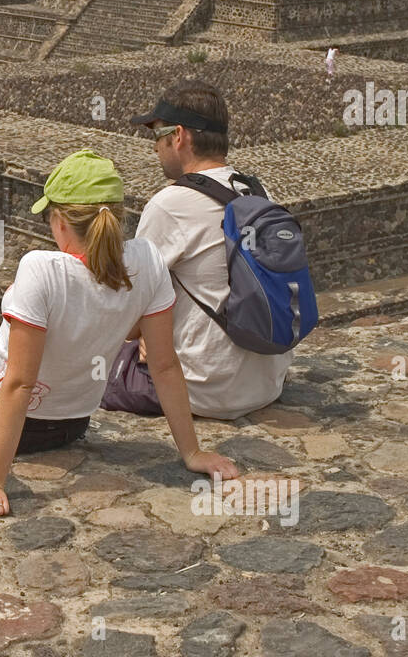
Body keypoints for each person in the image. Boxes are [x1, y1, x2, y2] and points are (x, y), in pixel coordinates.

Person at [0, 150, 240, 517]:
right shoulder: (149, 261)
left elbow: (19, 384)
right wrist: (191, 452)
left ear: (59, 221)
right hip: (69, 425)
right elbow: (165, 365)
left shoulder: (40, 269)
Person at [101, 81, 295, 420]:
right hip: (266, 381)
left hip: (202, 388)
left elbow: (128, 312)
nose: (155, 148)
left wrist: (145, 334)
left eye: (157, 136)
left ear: (179, 136)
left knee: (85, 362)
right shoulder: (258, 192)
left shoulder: (170, 205)